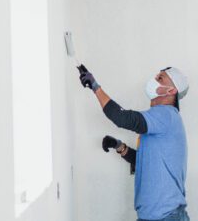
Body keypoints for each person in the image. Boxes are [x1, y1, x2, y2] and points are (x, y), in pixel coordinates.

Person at [78, 65, 190, 221]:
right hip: (153, 217)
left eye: (160, 78)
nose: (154, 79)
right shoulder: (161, 122)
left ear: (171, 91)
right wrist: (119, 146)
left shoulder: (166, 114)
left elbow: (121, 117)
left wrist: (95, 87)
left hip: (166, 217)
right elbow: (145, 162)